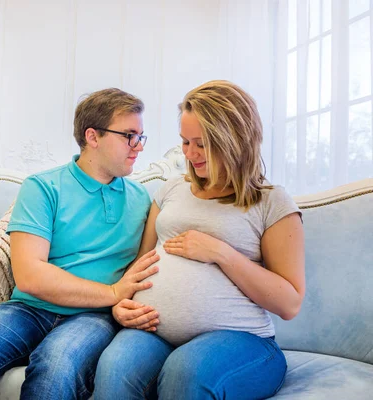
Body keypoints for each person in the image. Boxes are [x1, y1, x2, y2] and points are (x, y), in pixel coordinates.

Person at [0, 88, 160, 400]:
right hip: (30, 309)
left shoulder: (142, 199)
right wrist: (111, 291)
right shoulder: (42, 187)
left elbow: (143, 265)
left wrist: (118, 299)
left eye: (141, 136)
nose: (138, 147)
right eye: (129, 136)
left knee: (55, 366)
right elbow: (30, 275)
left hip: (95, 317)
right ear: (92, 137)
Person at [94, 80, 305, 400]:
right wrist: (122, 304)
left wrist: (221, 253)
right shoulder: (171, 189)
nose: (190, 154)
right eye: (185, 141)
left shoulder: (271, 202)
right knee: (114, 370)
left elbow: (289, 303)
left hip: (243, 340)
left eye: (202, 144)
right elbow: (141, 263)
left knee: (185, 373)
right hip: (153, 332)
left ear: (235, 139)